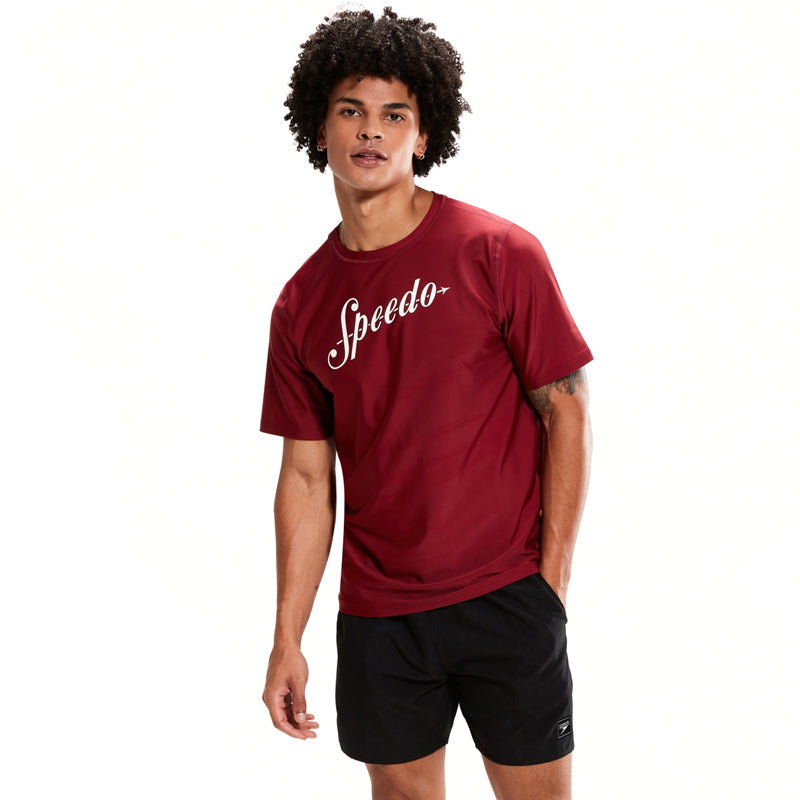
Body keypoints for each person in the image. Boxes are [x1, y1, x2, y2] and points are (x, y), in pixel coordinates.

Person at [260, 7, 593, 799]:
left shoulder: (497, 253)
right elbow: (306, 479)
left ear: (423, 134)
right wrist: (286, 636)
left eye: (393, 114)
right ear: (320, 130)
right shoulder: (302, 304)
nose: (370, 131)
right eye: (351, 111)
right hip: (379, 617)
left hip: (505, 593)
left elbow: (567, 412)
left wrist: (548, 587)